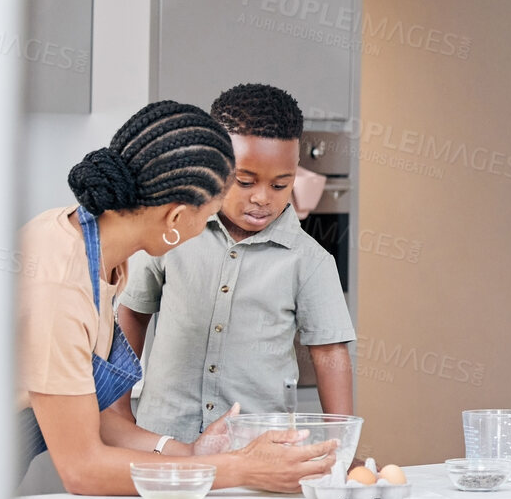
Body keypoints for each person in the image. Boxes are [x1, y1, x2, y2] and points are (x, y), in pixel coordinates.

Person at [17, 100, 336, 494]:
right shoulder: (62, 284)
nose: (209, 227)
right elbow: (83, 469)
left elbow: (81, 413)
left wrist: (188, 453)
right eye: (208, 216)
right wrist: (240, 470)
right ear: (175, 219)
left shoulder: (94, 250)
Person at [118, 84, 354, 443]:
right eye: (244, 181)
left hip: (256, 451)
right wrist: (119, 412)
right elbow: (132, 313)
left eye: (280, 185)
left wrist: (342, 447)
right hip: (163, 443)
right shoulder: (171, 233)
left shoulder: (310, 261)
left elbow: (330, 352)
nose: (262, 198)